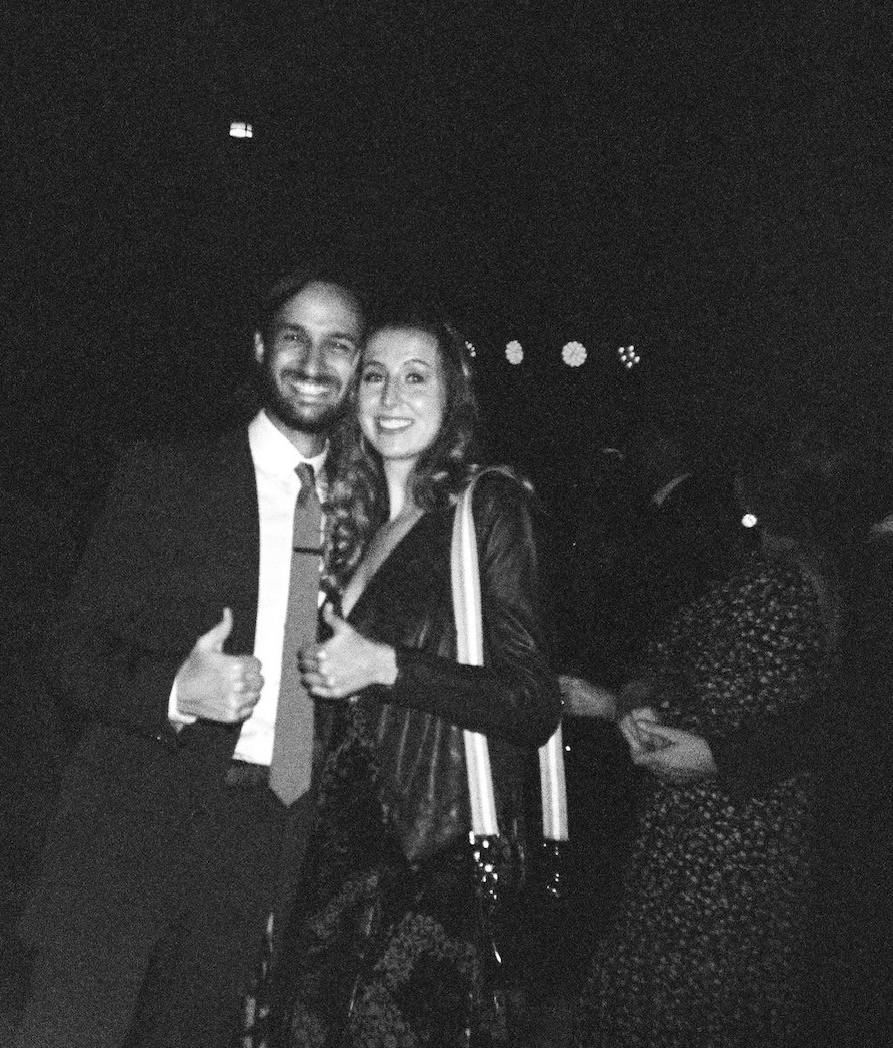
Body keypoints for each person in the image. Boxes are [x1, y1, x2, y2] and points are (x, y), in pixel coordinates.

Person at [14, 274, 365, 1048]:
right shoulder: (170, 474)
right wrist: (175, 687)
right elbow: (69, 649)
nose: (313, 360)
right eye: (294, 336)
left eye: (339, 343)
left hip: (267, 840)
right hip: (134, 825)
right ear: (259, 348)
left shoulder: (367, 508)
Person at [270, 310, 560, 1047]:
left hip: (429, 863)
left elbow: (531, 703)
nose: (390, 396)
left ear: (452, 398)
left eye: (414, 377)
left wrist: (387, 666)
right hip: (333, 865)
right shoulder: (350, 524)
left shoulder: (485, 506)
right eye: (373, 376)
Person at [569, 424, 836, 1048]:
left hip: (720, 840)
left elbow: (709, 707)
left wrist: (615, 707)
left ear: (753, 488)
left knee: (688, 1004)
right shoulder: (799, 579)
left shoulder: (772, 591)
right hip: (746, 831)